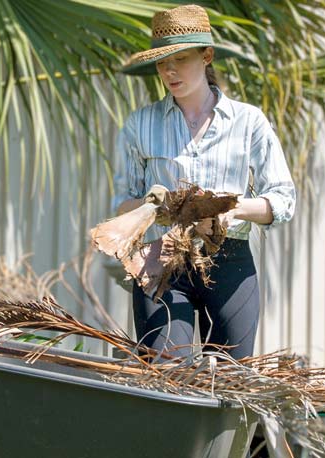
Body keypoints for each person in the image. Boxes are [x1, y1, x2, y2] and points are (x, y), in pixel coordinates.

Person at [111, 4, 296, 360]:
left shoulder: (249, 122)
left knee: (231, 378)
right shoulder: (141, 124)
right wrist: (155, 205)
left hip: (229, 264)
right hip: (160, 260)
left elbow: (283, 200)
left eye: (180, 58)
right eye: (163, 62)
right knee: (165, 372)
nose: (169, 70)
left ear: (207, 55)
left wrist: (232, 208)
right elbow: (123, 202)